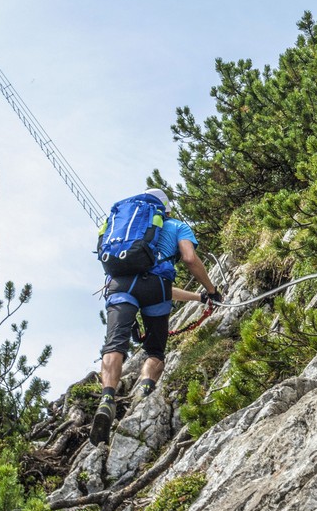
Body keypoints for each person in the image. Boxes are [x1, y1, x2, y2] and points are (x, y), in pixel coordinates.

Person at [90, 188, 221, 446]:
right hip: (156, 289)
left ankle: (106, 400)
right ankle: (143, 394)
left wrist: (198, 298)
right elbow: (189, 258)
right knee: (155, 352)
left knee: (114, 344)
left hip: (120, 285)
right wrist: (209, 291)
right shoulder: (177, 226)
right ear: (167, 209)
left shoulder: (127, 228)